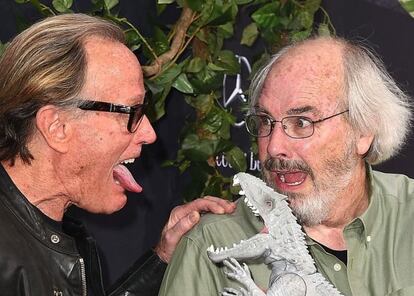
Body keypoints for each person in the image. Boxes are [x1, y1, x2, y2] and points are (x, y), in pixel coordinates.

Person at [0, 13, 236, 296]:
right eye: (131, 112)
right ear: (57, 127)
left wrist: (162, 258)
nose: (149, 133)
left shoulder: (64, 234)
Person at [159, 36, 414, 295]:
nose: (272, 146)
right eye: (265, 121)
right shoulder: (211, 244)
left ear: (363, 131)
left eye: (302, 122)